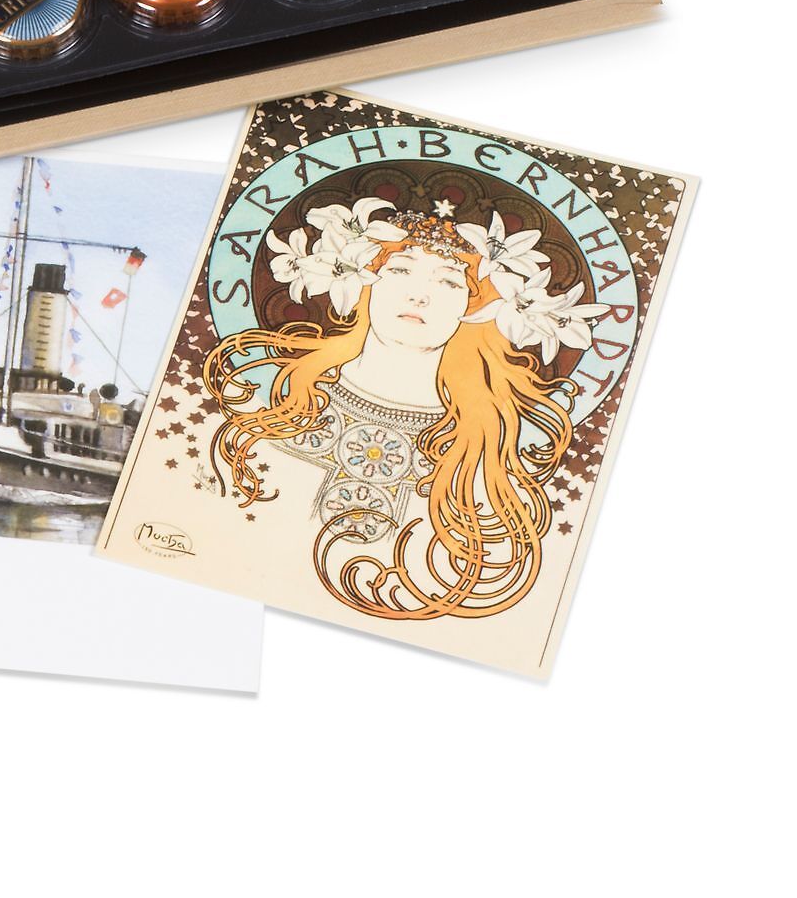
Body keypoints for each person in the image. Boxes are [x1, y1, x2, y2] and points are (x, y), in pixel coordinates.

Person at [201, 193, 589, 622]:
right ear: (361, 280)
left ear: (479, 308)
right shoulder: (278, 408)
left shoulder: (479, 453)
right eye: (400, 271)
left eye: (449, 282)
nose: (419, 296)